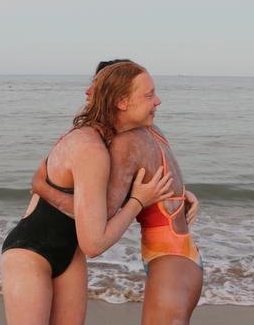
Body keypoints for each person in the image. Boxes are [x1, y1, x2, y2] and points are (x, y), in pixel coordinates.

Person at [1, 61, 174, 325]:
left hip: (71, 255)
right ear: (122, 102)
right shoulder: (91, 148)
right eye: (149, 95)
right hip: (30, 252)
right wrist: (138, 201)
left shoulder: (116, 140)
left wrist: (183, 197)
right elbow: (94, 244)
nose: (158, 101)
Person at [32, 59, 203, 325]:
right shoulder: (152, 130)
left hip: (169, 259)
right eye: (149, 95)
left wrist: (44, 188)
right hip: (180, 255)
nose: (88, 93)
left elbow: (102, 221)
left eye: (94, 87)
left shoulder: (127, 141)